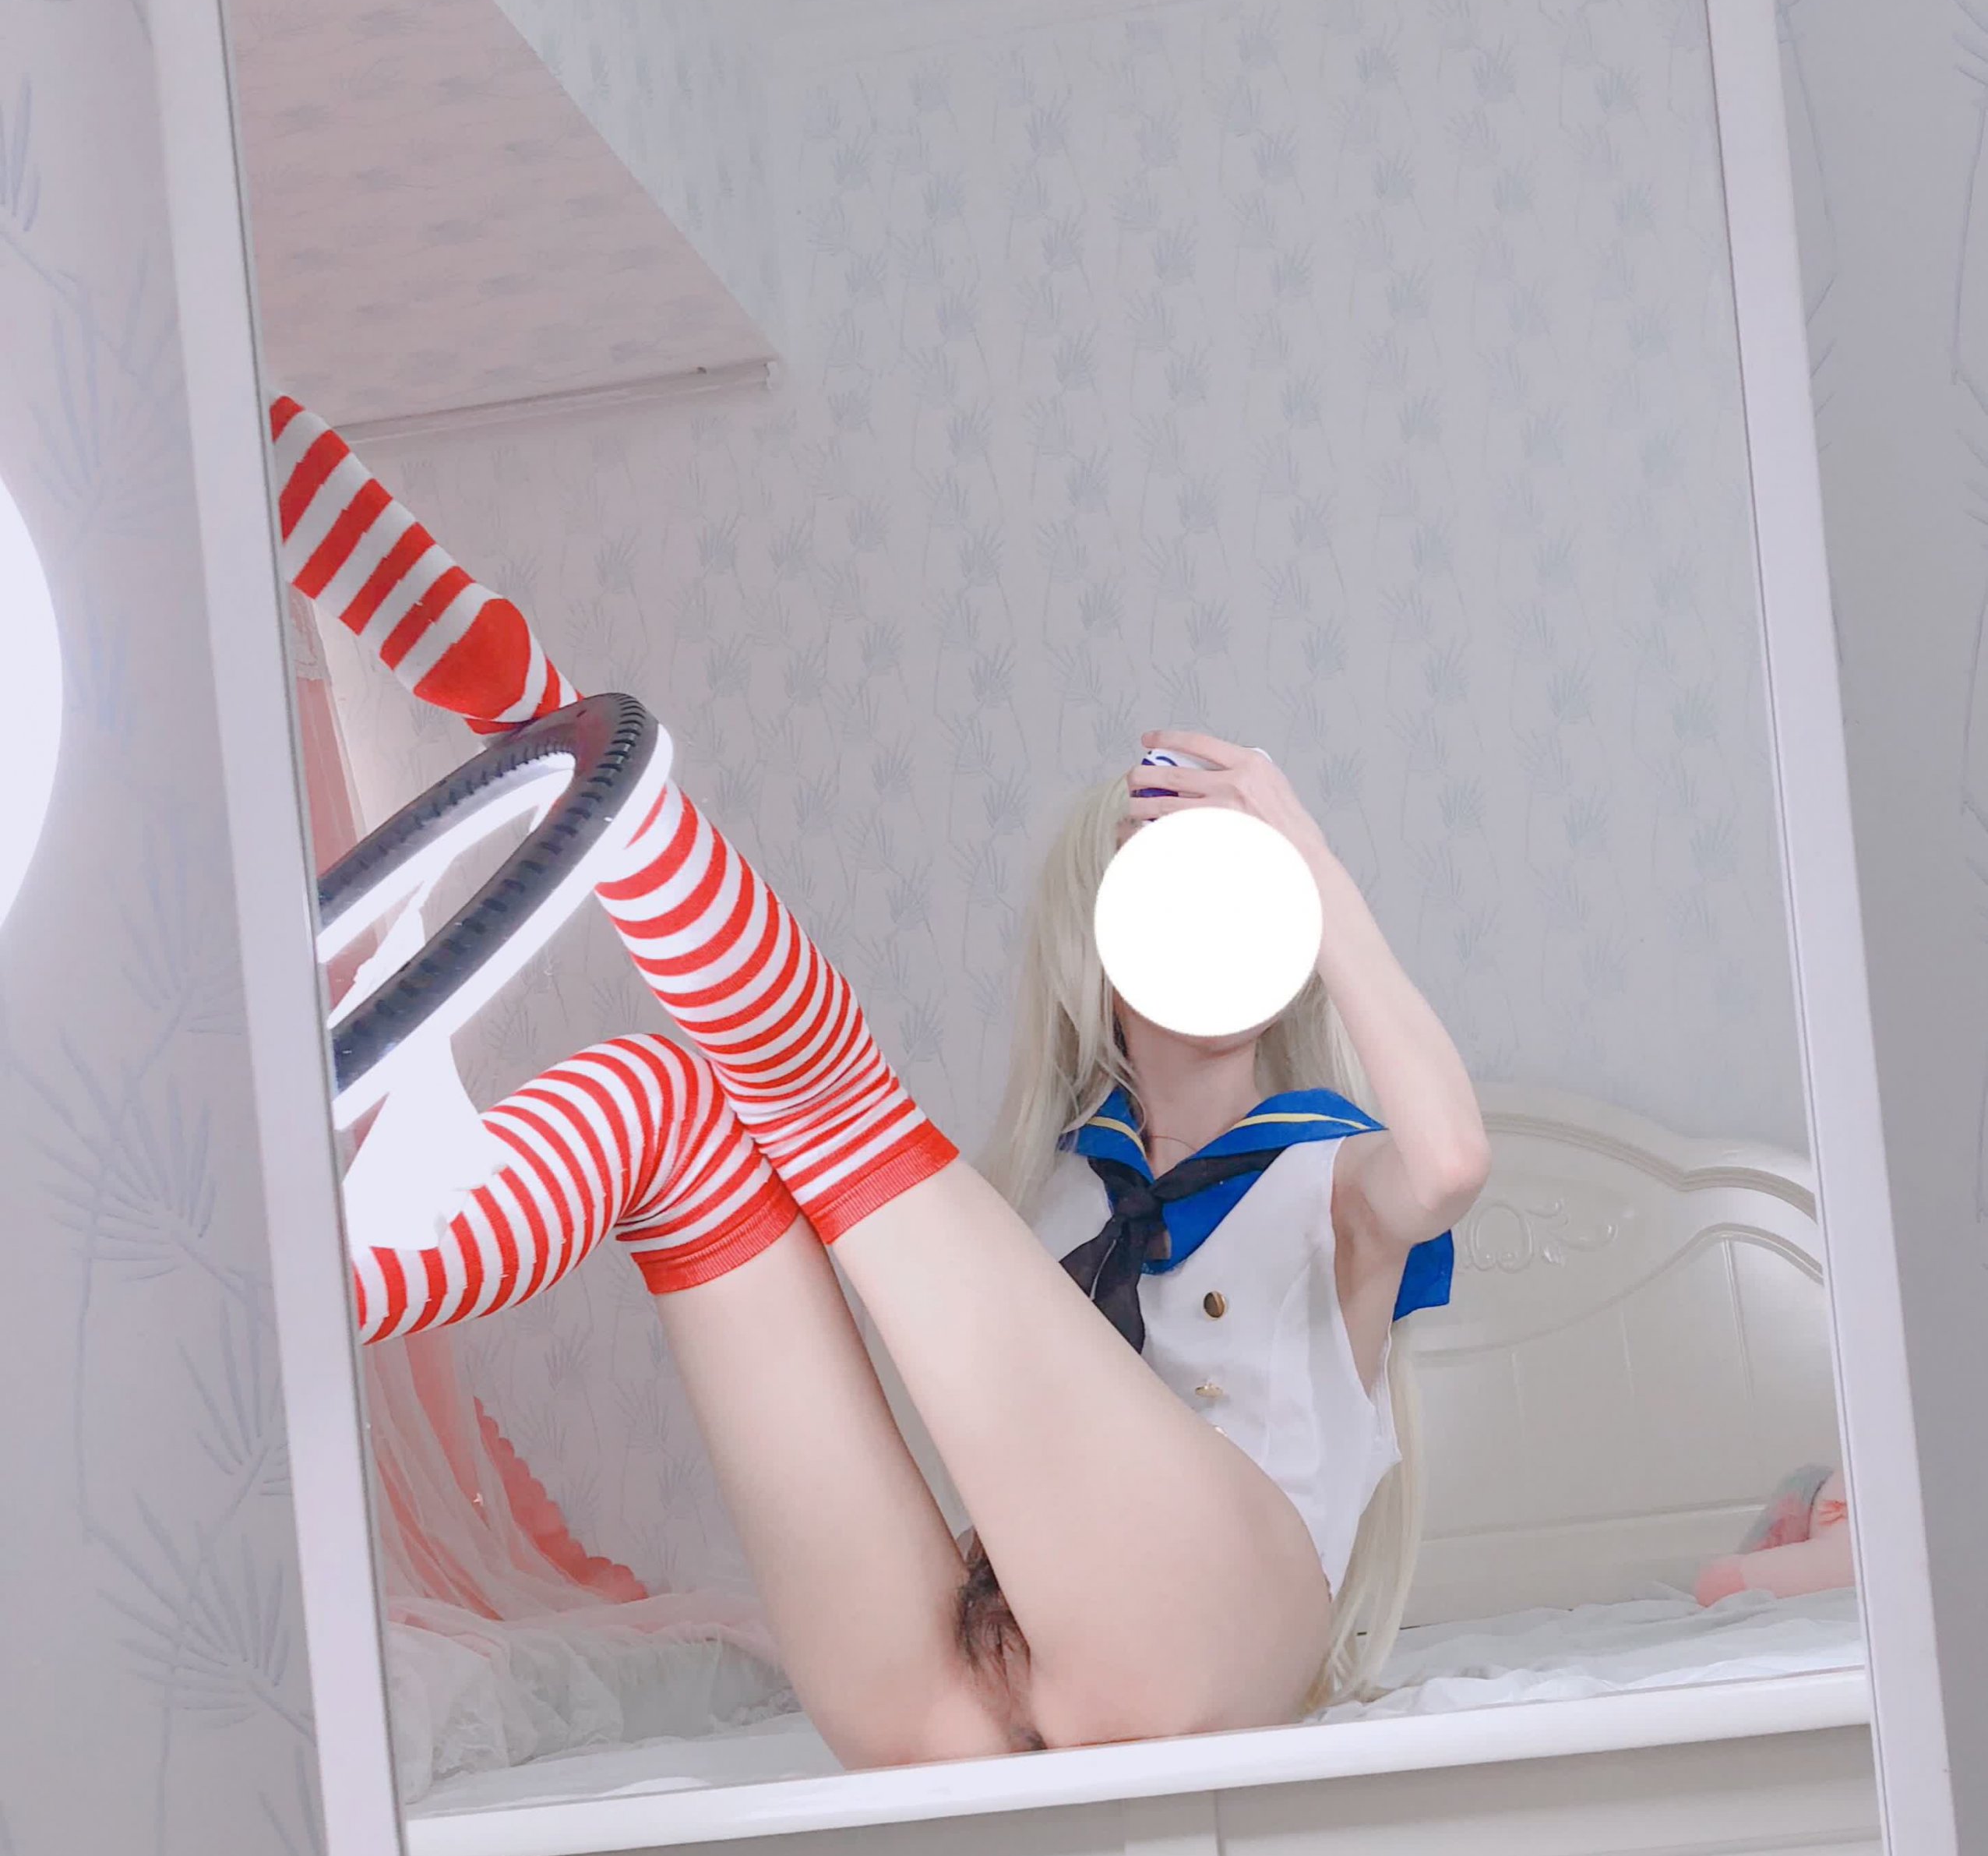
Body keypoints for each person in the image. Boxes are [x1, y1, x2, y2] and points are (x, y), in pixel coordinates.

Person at [271, 397, 1490, 1766]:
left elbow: (1451, 1160)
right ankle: (301, 1280)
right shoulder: (1047, 1202)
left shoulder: (1334, 1181)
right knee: (670, 1115)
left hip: (1213, 1638)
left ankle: (547, 721)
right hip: (961, 1681)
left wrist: (1312, 864)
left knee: (833, 1108)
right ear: (1099, 942)